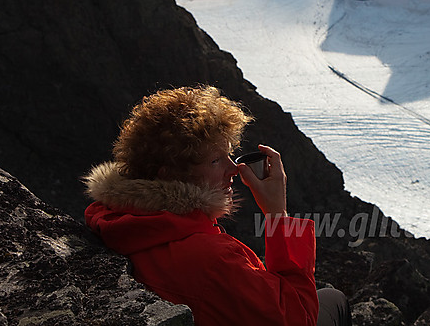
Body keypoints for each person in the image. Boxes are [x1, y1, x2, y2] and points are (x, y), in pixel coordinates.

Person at [83, 85, 350, 326]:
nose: (234, 168)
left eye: (229, 155)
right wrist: (277, 214)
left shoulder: (117, 218)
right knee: (333, 300)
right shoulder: (214, 258)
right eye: (215, 161)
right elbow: (298, 318)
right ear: (169, 174)